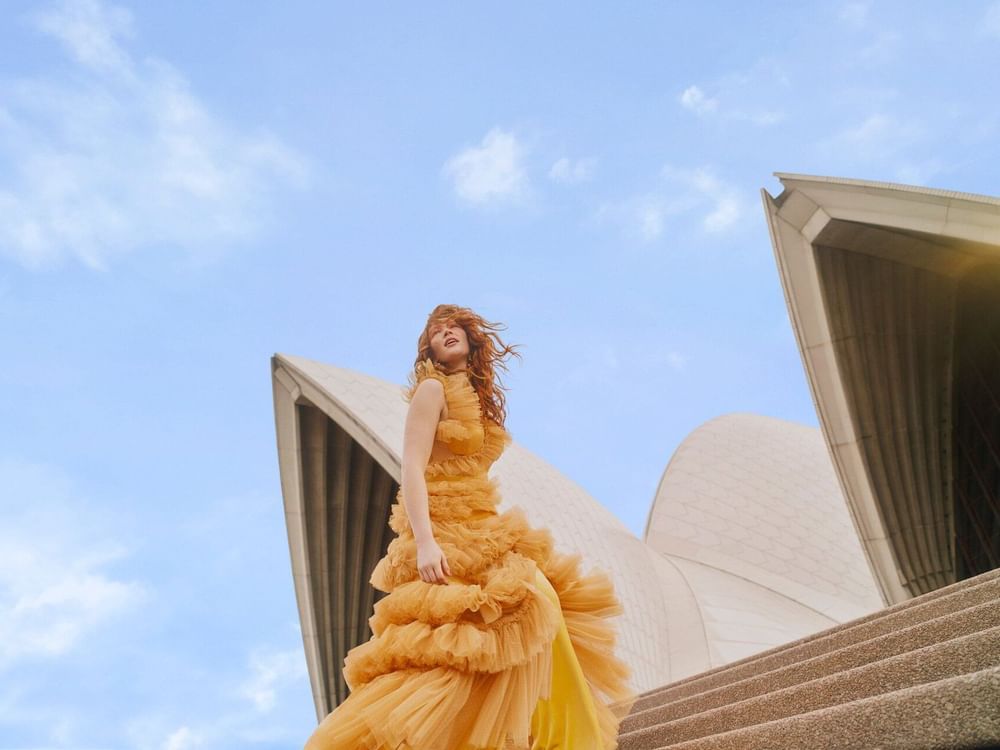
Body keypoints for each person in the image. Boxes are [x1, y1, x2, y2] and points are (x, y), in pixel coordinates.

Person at [304, 304, 637, 750]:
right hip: (444, 529)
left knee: (534, 612)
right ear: (430, 348)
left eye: (452, 326)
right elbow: (413, 469)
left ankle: (553, 739)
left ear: (470, 336)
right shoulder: (431, 390)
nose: (445, 332)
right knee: (462, 642)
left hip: (483, 523)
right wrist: (425, 543)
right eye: (435, 331)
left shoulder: (474, 397)